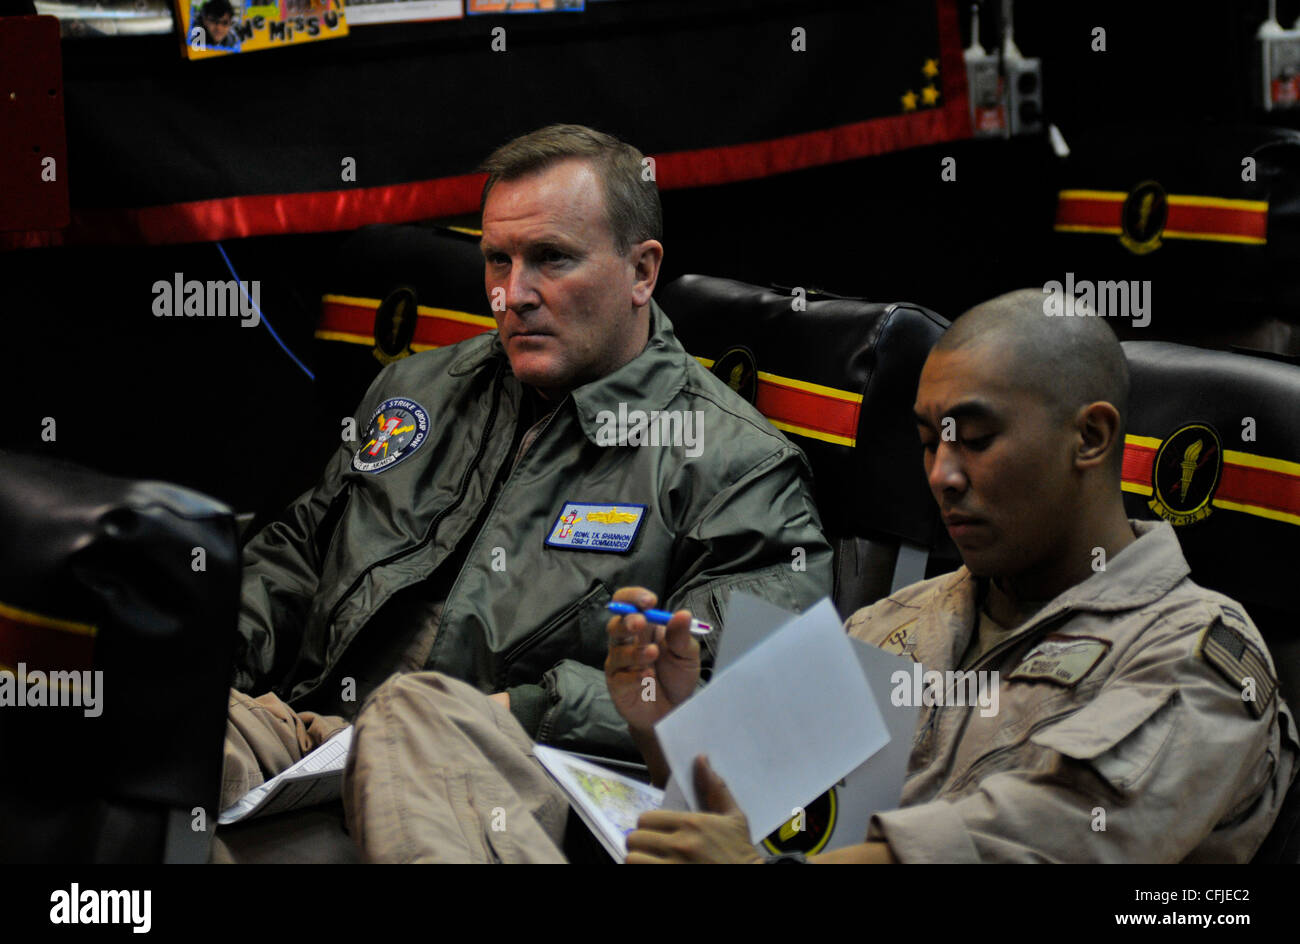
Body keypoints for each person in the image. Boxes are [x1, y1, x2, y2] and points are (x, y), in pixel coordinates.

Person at [227, 125, 833, 846]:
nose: (511, 296)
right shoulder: (422, 385)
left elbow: (749, 719)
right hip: (315, 735)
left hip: (510, 784)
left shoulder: (737, 465)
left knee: (409, 721)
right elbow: (298, 553)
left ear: (642, 272)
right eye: (497, 260)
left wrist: (527, 707)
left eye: (550, 259)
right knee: (138, 723)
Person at [608, 288, 1299, 863]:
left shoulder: (1197, 659)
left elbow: (1027, 842)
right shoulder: (895, 618)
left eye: (976, 438)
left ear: (1089, 437)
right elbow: (735, 810)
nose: (943, 474)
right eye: (926, 439)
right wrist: (668, 729)